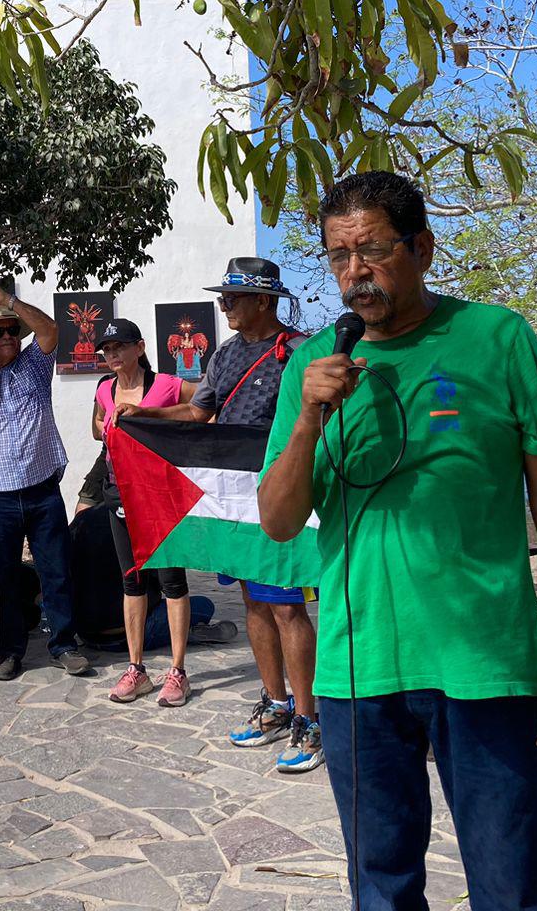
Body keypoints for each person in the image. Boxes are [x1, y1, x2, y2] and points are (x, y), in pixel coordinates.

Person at [258, 172, 537, 911]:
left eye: (374, 251)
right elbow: (279, 522)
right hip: (357, 670)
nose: (356, 273)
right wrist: (311, 418)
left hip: (484, 664)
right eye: (338, 257)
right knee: (381, 888)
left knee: (509, 886)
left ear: (423, 248)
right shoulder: (314, 368)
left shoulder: (497, 339)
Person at [120, 258, 323, 774]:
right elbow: (197, 414)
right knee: (254, 604)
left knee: (287, 608)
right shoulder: (225, 355)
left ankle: (309, 718)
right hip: (236, 502)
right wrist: (144, 414)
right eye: (222, 299)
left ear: (264, 300)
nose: (224, 307)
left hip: (284, 499)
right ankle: (276, 704)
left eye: (232, 299)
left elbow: (323, 416)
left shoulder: (301, 352)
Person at [0, 284, 92, 681]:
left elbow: (50, 331)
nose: (9, 335)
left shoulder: (34, 364)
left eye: (13, 330)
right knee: (6, 576)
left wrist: (8, 303)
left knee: (56, 571)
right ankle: (11, 651)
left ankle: (64, 644)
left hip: (42, 489)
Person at [89, 318, 198, 707]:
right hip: (119, 492)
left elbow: (201, 407)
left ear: (140, 347)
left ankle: (178, 671)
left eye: (119, 346)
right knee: (131, 580)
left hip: (161, 495)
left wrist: (152, 419)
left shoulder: (167, 385)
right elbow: (97, 425)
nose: (113, 354)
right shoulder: (104, 388)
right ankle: (136, 669)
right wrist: (107, 425)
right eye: (107, 349)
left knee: (171, 581)